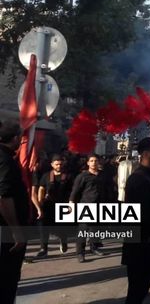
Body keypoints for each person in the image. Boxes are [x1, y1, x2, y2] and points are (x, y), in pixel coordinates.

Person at [121, 137, 150, 304]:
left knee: (142, 288)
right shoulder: (138, 179)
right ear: (146, 154)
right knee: (136, 291)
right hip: (139, 244)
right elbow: (134, 216)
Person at [0, 120, 29, 303]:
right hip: (7, 232)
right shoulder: (4, 161)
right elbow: (3, 197)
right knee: (7, 278)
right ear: (15, 138)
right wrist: (16, 230)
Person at [69, 153, 109, 262]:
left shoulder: (102, 175)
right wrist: (71, 202)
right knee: (83, 230)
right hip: (86, 206)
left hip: (99, 206)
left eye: (96, 161)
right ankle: (80, 253)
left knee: (95, 229)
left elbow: (108, 189)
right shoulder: (82, 176)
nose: (94, 163)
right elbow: (75, 191)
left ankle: (94, 248)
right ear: (88, 163)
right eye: (91, 161)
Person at [34, 154, 73, 257]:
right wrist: (40, 201)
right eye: (56, 164)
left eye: (60, 164)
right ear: (52, 164)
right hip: (48, 205)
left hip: (63, 205)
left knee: (62, 227)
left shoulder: (69, 176)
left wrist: (71, 204)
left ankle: (63, 240)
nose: (59, 166)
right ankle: (43, 248)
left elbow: (73, 191)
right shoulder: (46, 175)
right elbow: (41, 188)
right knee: (43, 226)